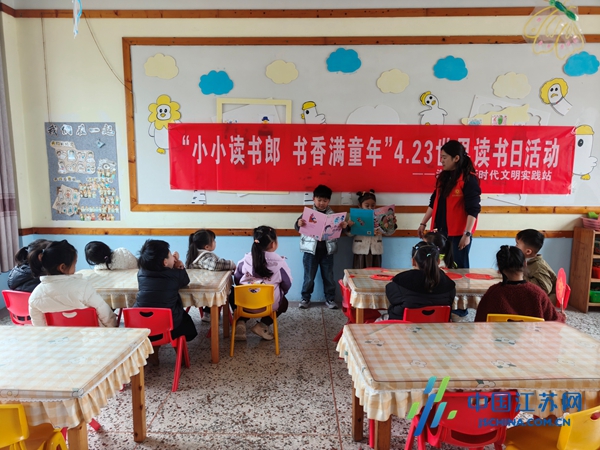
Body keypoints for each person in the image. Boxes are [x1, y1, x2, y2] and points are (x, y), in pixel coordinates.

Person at [417, 140, 481, 269]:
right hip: (440, 233)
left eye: (444, 157)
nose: (441, 161)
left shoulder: (468, 179)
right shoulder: (443, 178)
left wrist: (467, 234)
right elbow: (433, 202)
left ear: (456, 158)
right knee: (437, 267)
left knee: (458, 268)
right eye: (441, 157)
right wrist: (423, 223)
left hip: (458, 234)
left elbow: (473, 209)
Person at [135, 239, 198, 364]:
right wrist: (180, 267)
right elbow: (185, 281)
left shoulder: (141, 274)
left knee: (154, 319)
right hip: (169, 324)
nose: (173, 258)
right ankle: (182, 357)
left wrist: (171, 263)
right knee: (185, 320)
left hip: (143, 323)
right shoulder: (175, 275)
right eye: (170, 256)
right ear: (165, 262)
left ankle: (152, 354)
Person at [28, 239, 117, 327]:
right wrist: (112, 327)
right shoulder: (83, 287)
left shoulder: (35, 296)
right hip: (91, 334)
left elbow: (39, 327)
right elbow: (104, 312)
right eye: (74, 264)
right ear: (62, 267)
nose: (75, 268)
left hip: (57, 335)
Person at [474, 245, 565, 322]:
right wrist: (561, 317)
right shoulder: (538, 293)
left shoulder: (492, 293)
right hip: (531, 337)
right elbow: (554, 323)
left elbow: (479, 323)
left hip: (499, 337)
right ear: (525, 264)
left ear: (499, 268)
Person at [234, 226, 292, 341]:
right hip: (269, 305)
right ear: (273, 244)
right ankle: (262, 325)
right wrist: (280, 292)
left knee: (232, 294)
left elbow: (236, 280)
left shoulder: (244, 261)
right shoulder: (280, 264)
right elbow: (287, 284)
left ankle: (241, 322)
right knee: (284, 303)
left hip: (245, 305)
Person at [295, 184, 348, 309]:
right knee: (309, 277)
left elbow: (341, 231)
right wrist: (299, 223)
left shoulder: (333, 215)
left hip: (327, 252)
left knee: (328, 276)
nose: (322, 203)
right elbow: (297, 227)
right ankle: (305, 298)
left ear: (329, 201)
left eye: (325, 200)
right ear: (314, 199)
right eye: (319, 200)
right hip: (310, 252)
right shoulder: (308, 214)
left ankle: (330, 299)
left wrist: (344, 227)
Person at [384, 244, 456, 320]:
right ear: (438, 261)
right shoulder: (449, 284)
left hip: (404, 324)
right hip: (438, 324)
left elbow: (391, 297)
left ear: (413, 261)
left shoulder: (400, 281)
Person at [185, 229, 236, 324]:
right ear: (207, 247)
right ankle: (210, 312)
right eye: (214, 240)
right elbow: (215, 265)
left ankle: (208, 311)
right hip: (205, 290)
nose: (215, 242)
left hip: (200, 287)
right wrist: (231, 264)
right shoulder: (205, 256)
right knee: (229, 290)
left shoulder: (194, 253)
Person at [347, 190, 397, 269]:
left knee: (375, 271)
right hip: (361, 250)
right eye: (367, 205)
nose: (370, 208)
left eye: (373, 205)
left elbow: (388, 233)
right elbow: (350, 234)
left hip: (376, 250)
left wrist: (392, 225)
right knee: (359, 272)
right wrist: (349, 227)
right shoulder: (355, 217)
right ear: (360, 205)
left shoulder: (380, 217)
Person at [515, 229, 557, 296]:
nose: (515, 247)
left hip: (547, 299)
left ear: (528, 251)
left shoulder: (538, 266)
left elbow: (545, 289)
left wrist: (520, 277)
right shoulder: (528, 261)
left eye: (517, 244)